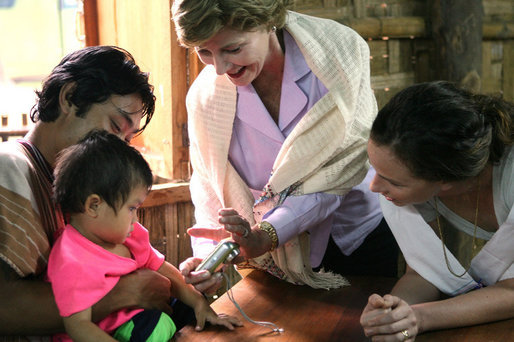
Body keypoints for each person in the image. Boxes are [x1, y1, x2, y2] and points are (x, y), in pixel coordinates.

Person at [172, 0, 399, 294]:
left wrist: (267, 234)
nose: (219, 68)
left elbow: (344, 165)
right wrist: (208, 259)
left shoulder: (338, 56)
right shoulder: (206, 99)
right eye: (204, 51)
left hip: (354, 233)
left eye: (233, 49)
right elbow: (208, 182)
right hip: (267, 256)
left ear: (269, 21)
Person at [0, 45, 171, 341]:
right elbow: (4, 304)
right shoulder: (9, 168)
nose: (117, 146)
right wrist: (125, 294)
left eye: (126, 139)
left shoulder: (72, 185)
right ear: (69, 97)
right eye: (115, 126)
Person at [47, 130, 241, 342]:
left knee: (189, 305)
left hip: (143, 317)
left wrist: (201, 304)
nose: (136, 219)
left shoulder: (130, 237)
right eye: (132, 208)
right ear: (94, 205)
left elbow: (165, 270)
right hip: (110, 334)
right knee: (156, 325)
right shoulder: (70, 258)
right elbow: (79, 327)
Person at [360, 81, 514, 341]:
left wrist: (420, 317)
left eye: (394, 181)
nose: (374, 186)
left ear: (446, 181)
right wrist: (394, 312)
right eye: (375, 170)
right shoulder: (410, 186)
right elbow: (423, 271)